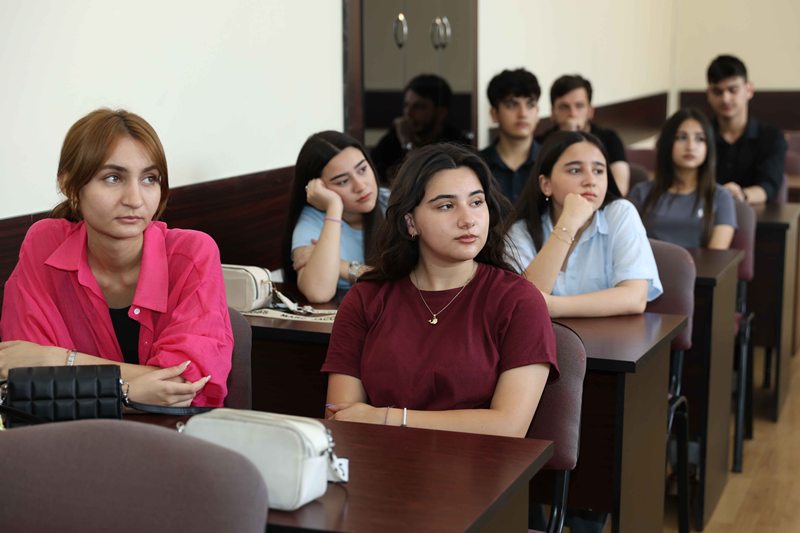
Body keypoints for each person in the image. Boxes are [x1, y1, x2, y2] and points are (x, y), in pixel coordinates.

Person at [322, 143, 557, 437]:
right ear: (410, 222)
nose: (468, 220)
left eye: (476, 202)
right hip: (379, 460)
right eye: (446, 206)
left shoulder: (519, 300)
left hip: (477, 463)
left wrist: (386, 417)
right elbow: (341, 419)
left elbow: (508, 427)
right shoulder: (365, 298)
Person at [0, 109, 231, 407]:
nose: (134, 199)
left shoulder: (192, 254)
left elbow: (184, 386)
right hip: (66, 433)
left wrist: (58, 360)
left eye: (149, 179)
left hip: (167, 433)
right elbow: (23, 377)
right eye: (113, 178)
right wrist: (131, 390)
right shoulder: (44, 243)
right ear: (70, 185)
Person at [506, 130, 662, 318]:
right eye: (575, 170)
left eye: (598, 171)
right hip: (545, 337)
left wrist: (551, 306)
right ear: (546, 184)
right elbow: (522, 304)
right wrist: (568, 223)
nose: (591, 181)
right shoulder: (522, 230)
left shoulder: (620, 213)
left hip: (612, 335)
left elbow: (635, 298)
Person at [281, 131, 388, 303]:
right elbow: (318, 293)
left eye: (362, 170)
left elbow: (413, 282)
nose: (361, 186)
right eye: (343, 181)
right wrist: (334, 207)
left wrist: (341, 266)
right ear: (320, 189)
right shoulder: (312, 222)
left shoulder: (395, 204)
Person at [630, 108, 737, 249]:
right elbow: (629, 247)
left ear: (708, 147)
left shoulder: (721, 197)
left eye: (700, 139)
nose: (691, 146)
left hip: (701, 265)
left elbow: (716, 254)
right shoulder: (641, 193)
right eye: (681, 137)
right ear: (667, 143)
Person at [706, 54, 788, 204]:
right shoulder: (701, 136)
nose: (725, 98)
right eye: (717, 92)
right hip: (706, 212)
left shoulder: (771, 137)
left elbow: (768, 186)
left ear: (749, 90)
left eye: (733, 90)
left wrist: (741, 195)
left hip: (757, 213)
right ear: (709, 94)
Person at [537, 75, 631, 196]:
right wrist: (567, 138)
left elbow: (620, 189)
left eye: (579, 106)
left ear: (590, 111)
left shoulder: (609, 139)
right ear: (553, 112)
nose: (572, 113)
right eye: (564, 107)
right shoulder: (541, 143)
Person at [371, 74, 471, 185]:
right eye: (406, 105)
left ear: (440, 113)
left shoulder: (456, 143)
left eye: (419, 107)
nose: (408, 113)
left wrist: (407, 143)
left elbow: (424, 180)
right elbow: (375, 176)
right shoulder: (394, 138)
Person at [479, 68, 542, 204]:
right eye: (512, 105)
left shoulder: (551, 162)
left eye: (530, 105)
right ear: (494, 114)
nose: (523, 113)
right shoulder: (478, 165)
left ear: (537, 112)